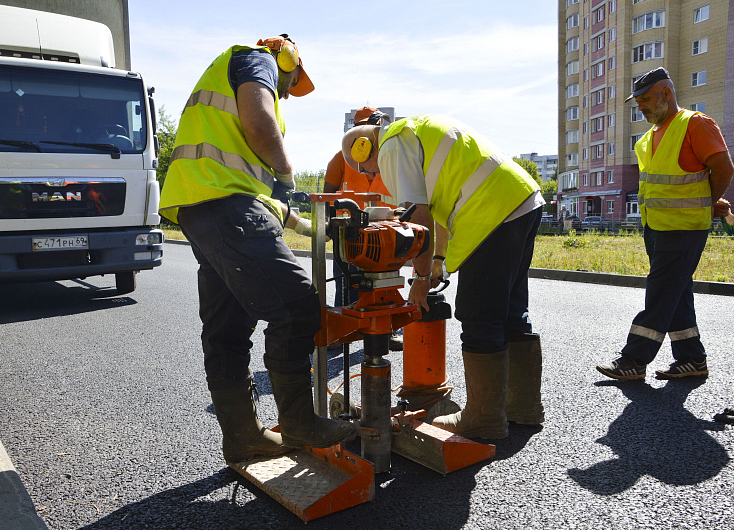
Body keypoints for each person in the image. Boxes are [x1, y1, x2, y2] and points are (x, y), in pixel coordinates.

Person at [158, 35, 355, 463]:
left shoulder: (224, 89)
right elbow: (260, 124)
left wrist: (304, 222)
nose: (286, 92)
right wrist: (287, 176)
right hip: (225, 206)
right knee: (298, 304)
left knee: (227, 331)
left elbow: (252, 190)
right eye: (290, 83)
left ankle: (244, 438)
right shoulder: (255, 61)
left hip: (201, 207)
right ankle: (301, 422)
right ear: (286, 59)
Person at [342, 114, 545, 439]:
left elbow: (417, 218)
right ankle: (523, 408)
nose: (370, 174)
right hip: (522, 200)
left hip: (491, 210)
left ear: (364, 147)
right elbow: (438, 211)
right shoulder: (416, 132)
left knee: (479, 316)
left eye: (364, 169)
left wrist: (419, 283)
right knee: (510, 311)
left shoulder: (393, 143)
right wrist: (436, 260)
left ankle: (485, 419)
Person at [596, 67, 734, 381]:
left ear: (666, 93)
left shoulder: (694, 124)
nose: (642, 106)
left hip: (685, 228)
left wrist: (709, 202)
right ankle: (692, 359)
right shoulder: (647, 139)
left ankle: (633, 360)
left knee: (659, 293)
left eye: (646, 99)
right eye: (639, 102)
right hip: (657, 228)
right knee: (676, 292)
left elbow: (723, 168)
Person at [324, 106, 403, 351]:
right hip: (350, 232)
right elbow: (327, 194)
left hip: (386, 230)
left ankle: (389, 330)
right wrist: (330, 223)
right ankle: (344, 328)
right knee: (346, 281)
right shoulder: (341, 159)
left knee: (386, 281)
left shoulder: (392, 157)